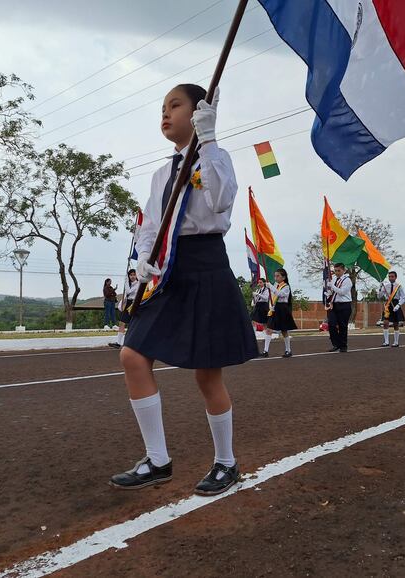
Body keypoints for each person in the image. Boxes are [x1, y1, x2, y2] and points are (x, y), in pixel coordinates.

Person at [110, 84, 255, 496]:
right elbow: (151, 227)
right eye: (162, 107)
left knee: (207, 376)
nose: (165, 113)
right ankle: (157, 460)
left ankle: (226, 463)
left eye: (175, 105)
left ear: (198, 113)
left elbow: (222, 199)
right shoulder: (161, 175)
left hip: (206, 266)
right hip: (167, 272)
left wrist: (208, 140)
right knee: (132, 355)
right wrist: (142, 257)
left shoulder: (216, 157)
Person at [264, 268, 297, 358]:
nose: (276, 278)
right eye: (275, 276)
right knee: (269, 329)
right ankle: (265, 351)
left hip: (283, 309)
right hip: (275, 308)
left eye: (278, 276)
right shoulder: (276, 285)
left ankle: (288, 350)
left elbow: (280, 294)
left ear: (284, 277)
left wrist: (270, 286)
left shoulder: (286, 286)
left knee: (284, 330)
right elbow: (273, 296)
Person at [324, 263, 352, 353]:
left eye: (338, 270)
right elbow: (333, 292)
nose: (336, 272)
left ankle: (343, 346)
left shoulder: (347, 280)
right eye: (335, 271)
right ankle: (336, 344)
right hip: (334, 305)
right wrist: (328, 293)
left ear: (343, 270)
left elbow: (342, 292)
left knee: (342, 326)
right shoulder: (334, 279)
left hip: (344, 305)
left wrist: (332, 286)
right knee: (331, 324)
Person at [109, 269, 138, 349]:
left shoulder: (138, 284)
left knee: (132, 324)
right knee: (122, 322)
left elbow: (129, 292)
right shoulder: (129, 283)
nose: (132, 276)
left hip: (134, 304)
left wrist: (125, 282)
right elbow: (126, 294)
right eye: (131, 275)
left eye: (134, 275)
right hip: (127, 303)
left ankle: (132, 343)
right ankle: (118, 343)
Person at [377, 271, 405, 347]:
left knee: (396, 324)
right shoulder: (385, 286)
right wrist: (380, 287)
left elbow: (403, 298)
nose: (390, 278)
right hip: (388, 305)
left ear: (395, 277)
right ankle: (386, 342)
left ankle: (396, 342)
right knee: (385, 323)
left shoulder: (399, 286)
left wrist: (398, 305)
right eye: (389, 276)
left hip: (396, 304)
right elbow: (379, 296)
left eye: (392, 276)